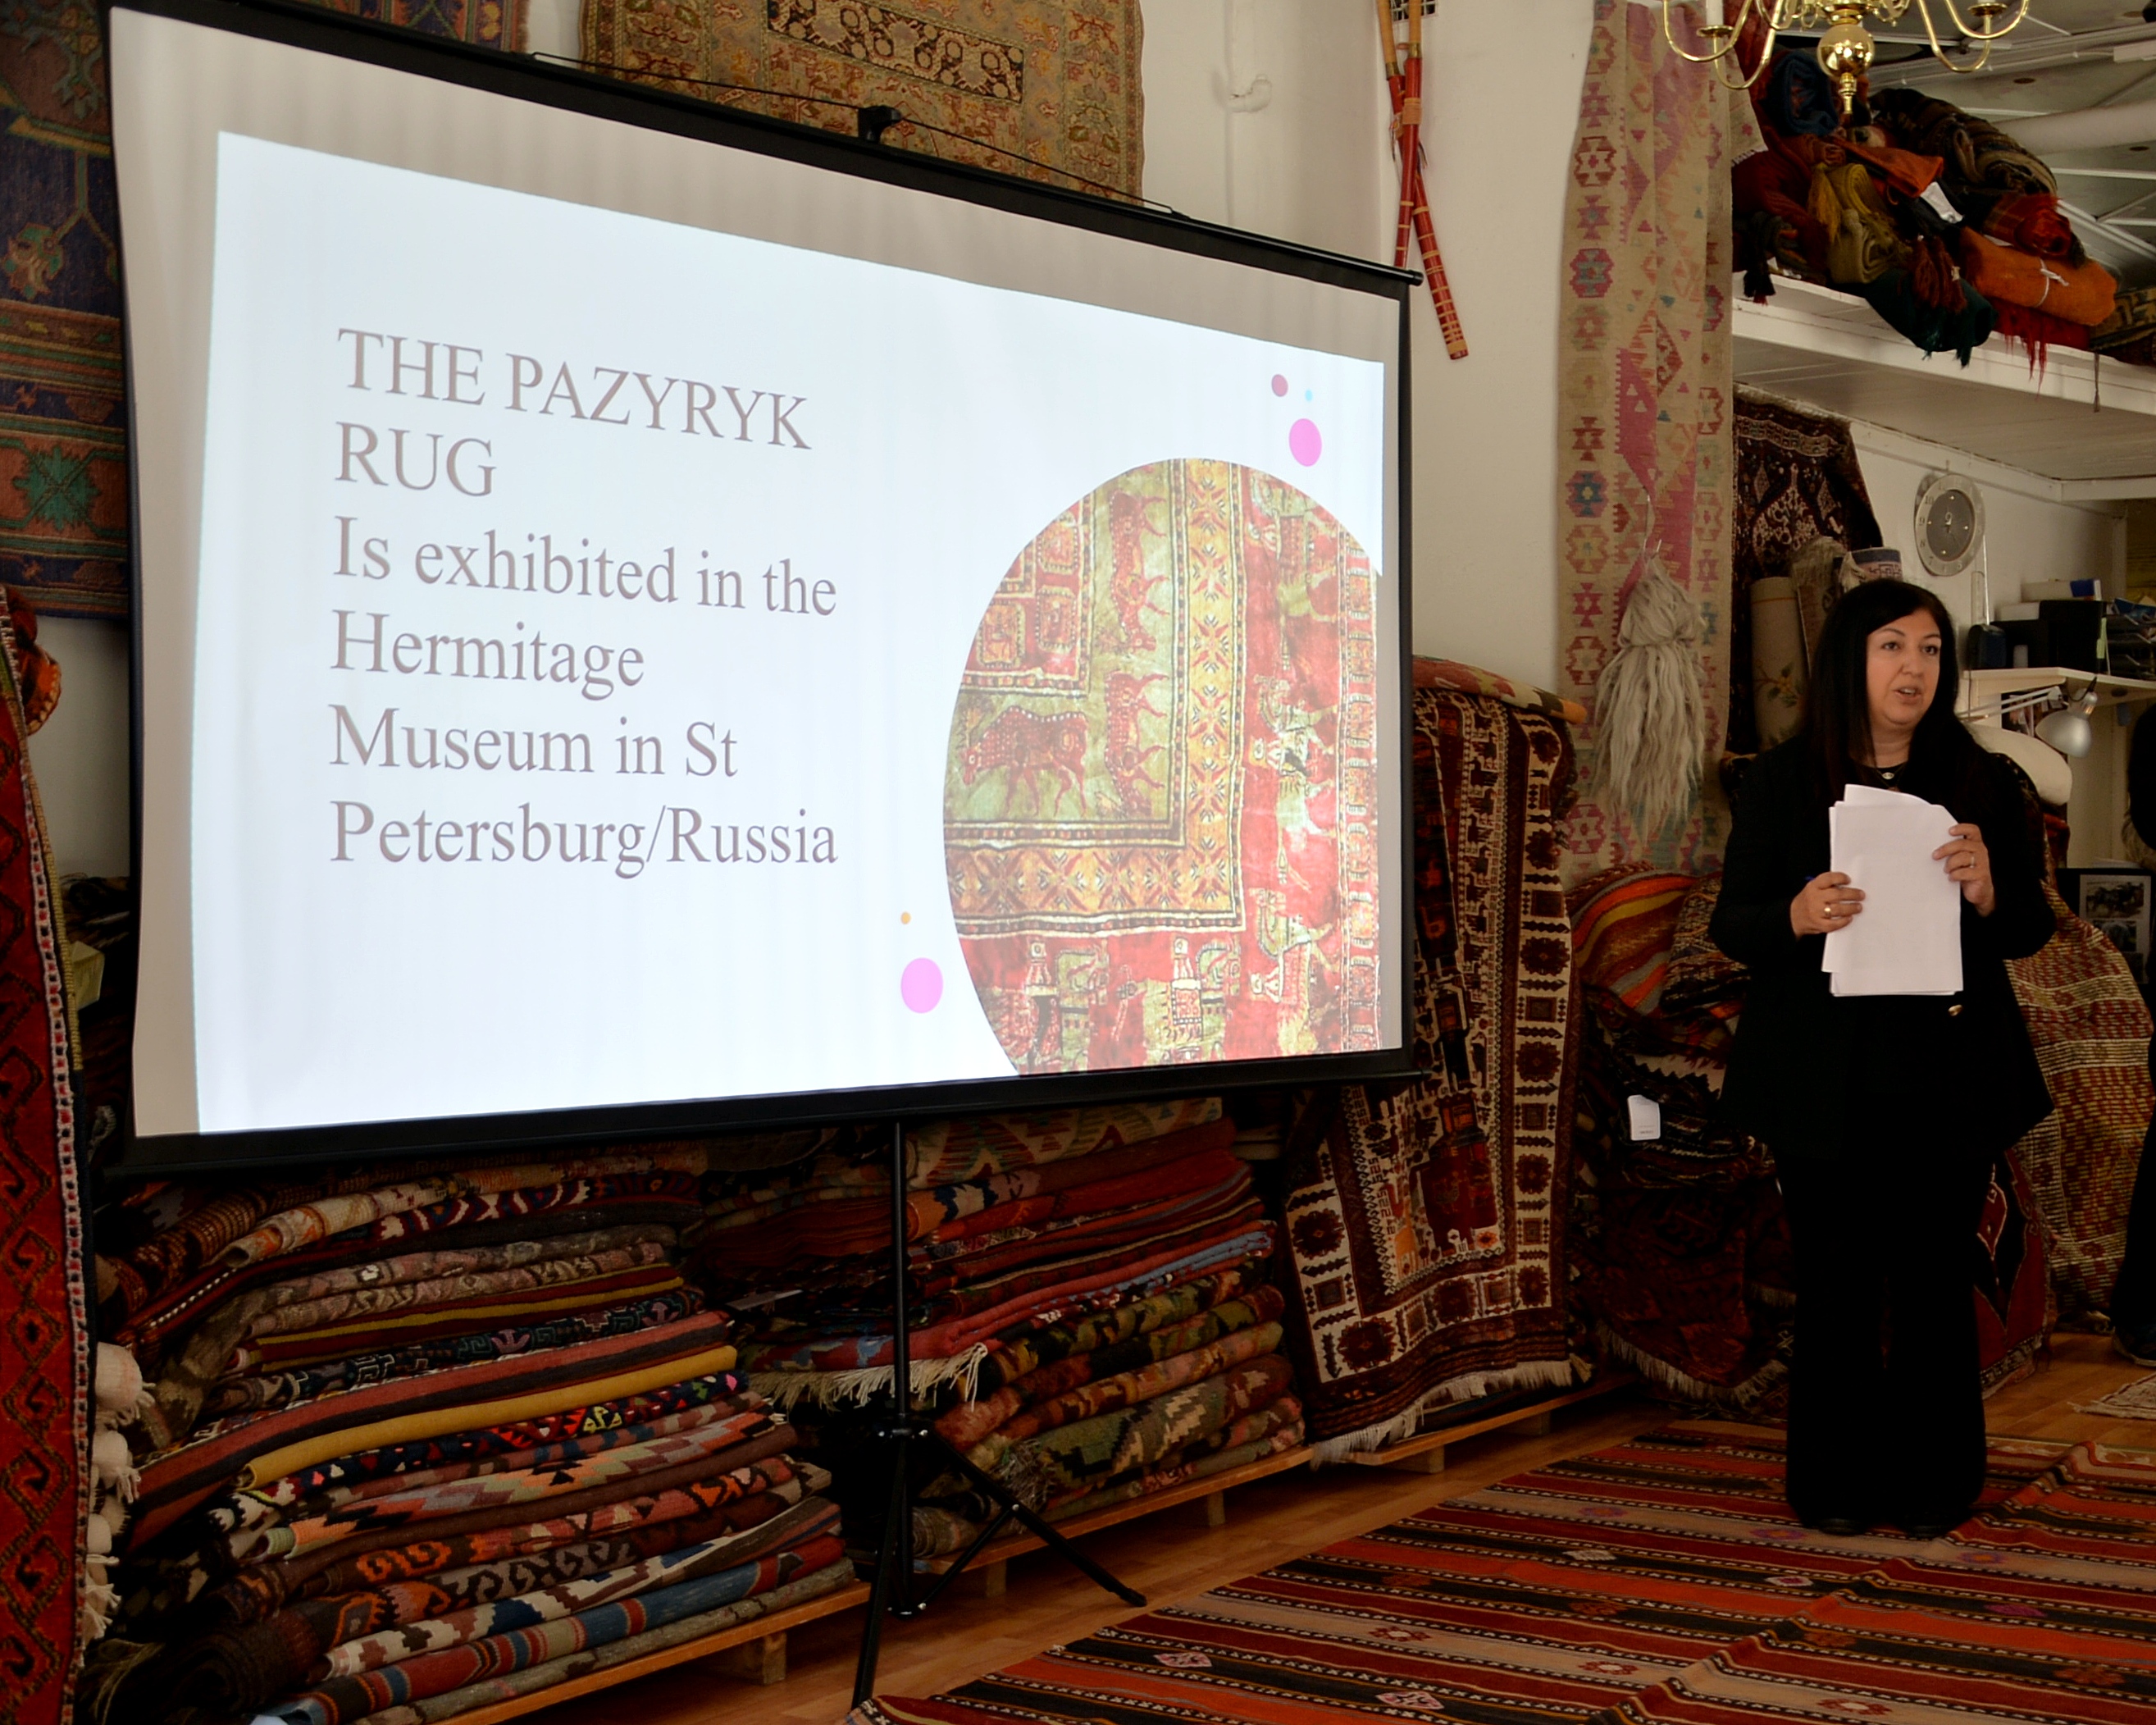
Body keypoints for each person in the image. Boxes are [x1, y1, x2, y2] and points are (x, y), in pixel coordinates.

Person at [1711, 577, 2053, 1536]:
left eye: (1930, 650)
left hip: (1948, 1071)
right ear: (1849, 662)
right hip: (1826, 1076)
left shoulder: (1983, 780)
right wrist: (1793, 915)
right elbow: (1732, 923)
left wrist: (1990, 891)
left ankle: (1936, 1485)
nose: (1914, 668)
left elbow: (2029, 930)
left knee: (1935, 1280)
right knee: (1837, 1283)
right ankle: (1834, 1486)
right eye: (1892, 647)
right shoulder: (1782, 782)